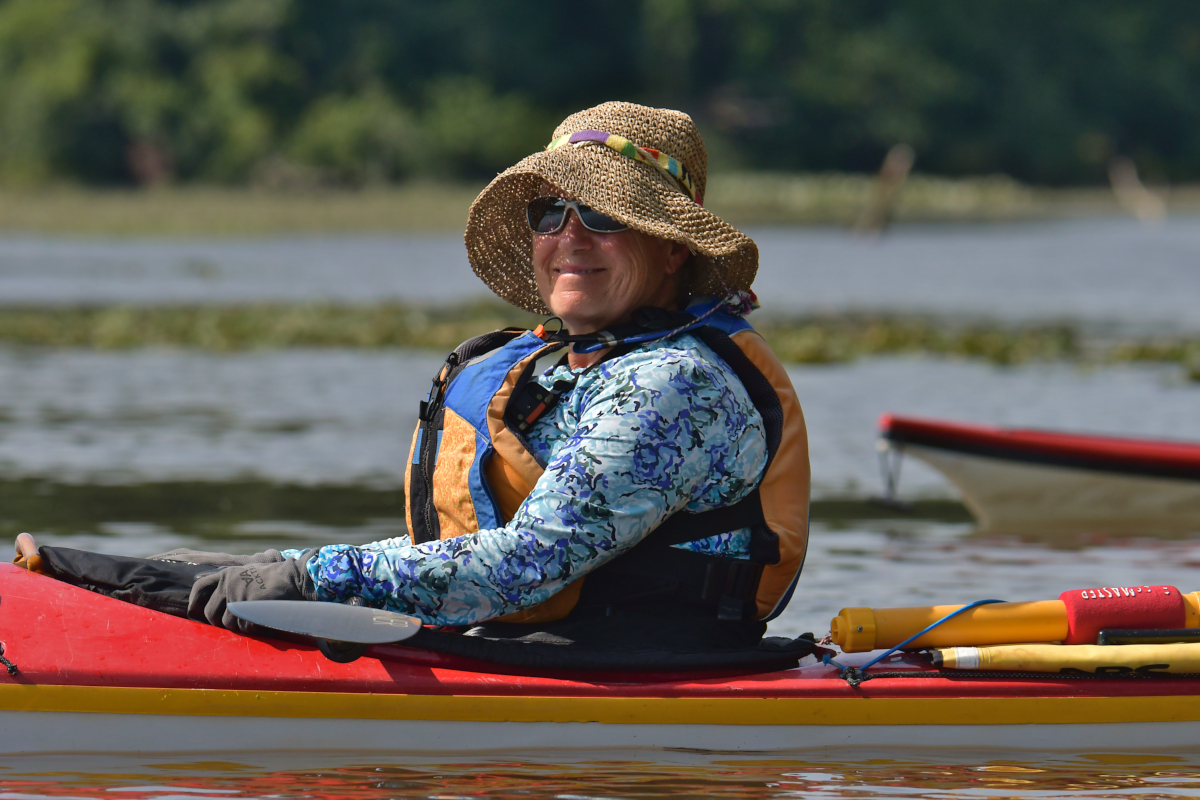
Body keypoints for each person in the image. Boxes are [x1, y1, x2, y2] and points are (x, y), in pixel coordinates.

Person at [16, 103, 811, 657]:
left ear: (672, 249)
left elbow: (522, 565)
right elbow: (471, 554)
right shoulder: (564, 369)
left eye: (603, 217)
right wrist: (255, 566)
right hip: (551, 647)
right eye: (551, 214)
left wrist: (310, 577)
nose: (570, 240)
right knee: (180, 576)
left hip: (642, 668)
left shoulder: (672, 385)